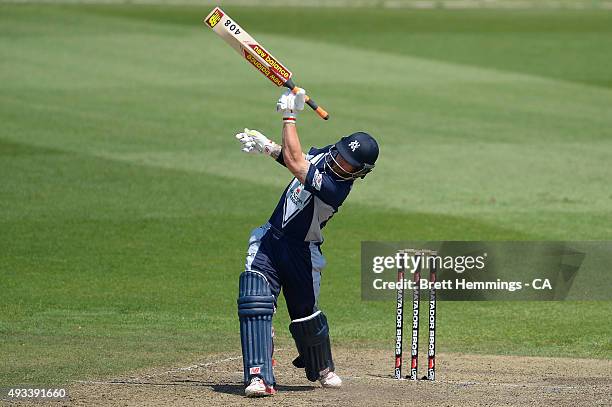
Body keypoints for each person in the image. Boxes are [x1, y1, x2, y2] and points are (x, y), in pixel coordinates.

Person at [234, 88, 379, 397]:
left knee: (305, 315)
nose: (340, 162)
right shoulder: (328, 155)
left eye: (349, 163)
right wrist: (269, 148)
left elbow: (299, 165)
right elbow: (296, 159)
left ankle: (322, 366)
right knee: (254, 302)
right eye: (341, 154)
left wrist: (289, 116)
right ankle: (258, 377)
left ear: (360, 173)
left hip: (302, 252)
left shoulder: (336, 189)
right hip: (270, 241)